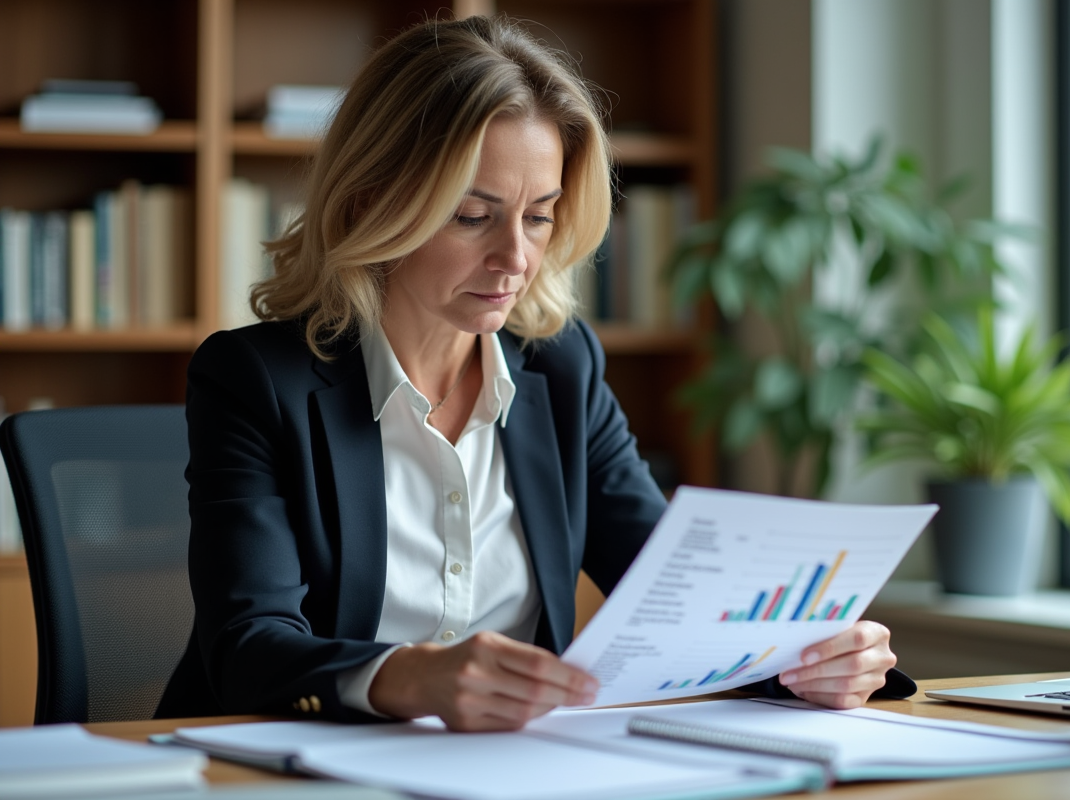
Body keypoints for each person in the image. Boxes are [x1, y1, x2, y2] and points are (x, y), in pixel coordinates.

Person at [158, 15, 910, 731]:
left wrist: (814, 660)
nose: (516, 258)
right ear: (371, 204)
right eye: (472, 215)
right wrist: (410, 677)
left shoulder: (562, 367)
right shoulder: (255, 380)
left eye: (540, 215)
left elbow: (678, 604)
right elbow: (248, 649)